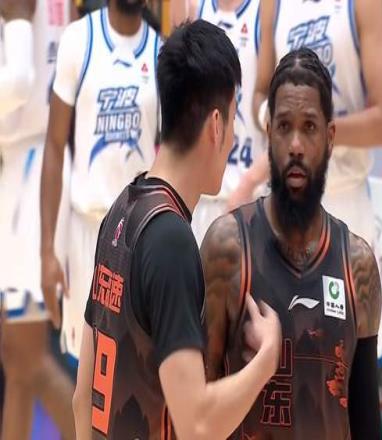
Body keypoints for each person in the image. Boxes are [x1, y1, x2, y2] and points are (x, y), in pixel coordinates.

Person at [73, 20, 282, 439]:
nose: (233, 138)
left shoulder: (121, 208)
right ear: (217, 126)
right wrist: (267, 360)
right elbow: (197, 425)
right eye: (234, 119)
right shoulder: (170, 240)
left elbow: (82, 399)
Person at [201, 48, 382, 439]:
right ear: (269, 133)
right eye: (285, 126)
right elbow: (194, 411)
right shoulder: (227, 248)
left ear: (330, 138)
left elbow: (367, 422)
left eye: (310, 127)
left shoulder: (358, 265)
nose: (296, 145)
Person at [41, 0, 161, 365]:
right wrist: (47, 252)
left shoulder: (161, 53)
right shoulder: (78, 40)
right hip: (86, 233)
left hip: (137, 237)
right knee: (85, 371)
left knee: (134, 371)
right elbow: (54, 145)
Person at [228, 0, 382, 248]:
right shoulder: (272, 4)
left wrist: (310, 130)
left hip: (345, 197)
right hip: (285, 197)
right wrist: (281, 122)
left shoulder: (365, 4)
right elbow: (259, 96)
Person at [0, 0, 75, 438]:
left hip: (30, 172)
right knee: (16, 361)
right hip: (31, 163)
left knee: (27, 358)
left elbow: (19, 82)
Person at [170, 0, 265, 245]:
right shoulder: (195, 10)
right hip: (198, 199)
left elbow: (282, 120)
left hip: (248, 197)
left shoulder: (264, 12)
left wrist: (248, 185)